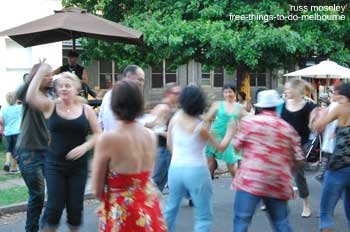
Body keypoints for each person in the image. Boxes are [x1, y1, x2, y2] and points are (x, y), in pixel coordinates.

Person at [26, 62, 101, 232]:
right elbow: (31, 97)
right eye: (60, 86)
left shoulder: (86, 110)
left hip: (78, 167)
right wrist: (41, 72)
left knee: (75, 210)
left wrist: (85, 146)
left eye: (68, 85)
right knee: (53, 208)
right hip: (54, 165)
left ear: (76, 88)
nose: (64, 89)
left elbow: (98, 134)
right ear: (57, 89)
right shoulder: (50, 106)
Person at [92, 80, 167, 232]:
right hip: (148, 208)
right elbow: (146, 178)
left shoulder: (107, 140)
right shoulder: (150, 136)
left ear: (114, 105)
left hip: (122, 213)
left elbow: (97, 190)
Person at [232, 90, 305, 232]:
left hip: (250, 180)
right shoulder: (287, 128)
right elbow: (299, 159)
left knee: (241, 221)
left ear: (259, 107)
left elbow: (236, 146)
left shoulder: (249, 123)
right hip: (277, 181)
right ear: (277, 106)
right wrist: (287, 169)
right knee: (281, 222)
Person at [164, 85, 234, 232]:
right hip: (196, 170)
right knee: (203, 216)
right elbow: (220, 147)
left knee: (170, 209)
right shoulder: (200, 127)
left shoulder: (174, 118)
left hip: (175, 168)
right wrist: (230, 132)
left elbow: (170, 145)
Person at [15, 63, 52, 232]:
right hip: (29, 152)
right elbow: (19, 93)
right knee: (38, 195)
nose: (50, 77)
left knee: (55, 191)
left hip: (47, 151)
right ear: (36, 76)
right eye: (46, 75)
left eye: (50, 74)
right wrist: (36, 74)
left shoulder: (50, 94)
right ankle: (32, 230)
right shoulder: (31, 95)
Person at [313, 83, 350, 232]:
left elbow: (318, 126)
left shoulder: (341, 109)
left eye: (335, 93)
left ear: (344, 96)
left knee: (326, 212)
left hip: (338, 166)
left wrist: (322, 114)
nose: (333, 96)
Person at [281, 78, 316, 218]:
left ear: (296, 90)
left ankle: (306, 205)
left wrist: (314, 122)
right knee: (279, 174)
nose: (285, 92)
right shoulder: (282, 105)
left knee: (298, 176)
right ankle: (276, 203)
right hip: (283, 145)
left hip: (299, 146)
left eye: (288, 89)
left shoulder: (309, 107)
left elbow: (315, 123)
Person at [147, 83, 181, 192]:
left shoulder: (171, 108)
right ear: (168, 93)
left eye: (180, 93)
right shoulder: (162, 108)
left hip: (168, 149)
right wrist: (169, 134)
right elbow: (150, 127)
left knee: (164, 179)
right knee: (157, 180)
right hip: (162, 149)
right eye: (176, 93)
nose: (178, 96)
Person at [204, 83, 244, 178]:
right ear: (223, 93)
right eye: (225, 92)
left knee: (231, 165)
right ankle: (206, 187)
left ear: (235, 93)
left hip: (229, 138)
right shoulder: (218, 104)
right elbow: (207, 118)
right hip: (215, 135)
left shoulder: (239, 107)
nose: (228, 94)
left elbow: (243, 124)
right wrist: (207, 131)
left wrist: (240, 137)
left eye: (230, 92)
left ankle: (239, 186)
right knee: (210, 165)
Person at [98, 65, 145, 132]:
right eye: (140, 80)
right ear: (129, 76)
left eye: (143, 81)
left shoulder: (108, 94)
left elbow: (100, 123)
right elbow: (138, 125)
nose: (142, 84)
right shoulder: (128, 96)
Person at [0, 92, 22, 173]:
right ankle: (13, 168)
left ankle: (7, 162)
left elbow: (1, 120)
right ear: (16, 98)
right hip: (17, 132)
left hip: (7, 132)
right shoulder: (19, 107)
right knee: (15, 150)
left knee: (9, 149)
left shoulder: (3, 108)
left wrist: (4, 126)